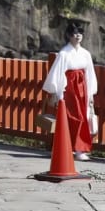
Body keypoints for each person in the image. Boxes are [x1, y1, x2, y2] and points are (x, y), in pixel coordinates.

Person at [42, 22, 98, 161]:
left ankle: (80, 149)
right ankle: (69, 147)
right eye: (74, 33)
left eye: (80, 33)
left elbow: (89, 74)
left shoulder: (86, 54)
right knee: (72, 118)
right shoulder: (63, 54)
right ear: (68, 36)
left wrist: (91, 92)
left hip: (82, 89)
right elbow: (58, 73)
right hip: (69, 89)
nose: (77, 36)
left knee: (83, 117)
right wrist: (57, 92)